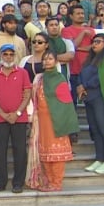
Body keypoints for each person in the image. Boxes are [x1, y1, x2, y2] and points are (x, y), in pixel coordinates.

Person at [26, 50, 79, 192]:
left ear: (56, 62)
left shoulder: (59, 78)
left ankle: (56, 182)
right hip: (40, 120)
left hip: (56, 120)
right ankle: (47, 180)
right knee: (43, 152)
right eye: (44, 59)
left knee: (56, 153)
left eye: (50, 59)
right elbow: (33, 98)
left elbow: (65, 103)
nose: (47, 61)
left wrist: (63, 121)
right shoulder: (38, 78)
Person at [0, 44, 32, 194]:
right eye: (5, 54)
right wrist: (2, 113)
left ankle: (18, 183)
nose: (8, 57)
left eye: (10, 54)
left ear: (15, 56)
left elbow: (27, 94)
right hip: (0, 118)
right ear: (1, 56)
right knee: (0, 151)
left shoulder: (23, 73)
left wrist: (17, 113)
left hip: (19, 118)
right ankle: (0, 182)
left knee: (20, 150)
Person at [77, 33, 104, 175]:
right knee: (95, 130)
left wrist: (86, 85)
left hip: (101, 97)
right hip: (89, 98)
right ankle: (99, 159)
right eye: (93, 41)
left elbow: (103, 77)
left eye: (98, 42)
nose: (94, 44)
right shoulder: (90, 59)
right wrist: (80, 85)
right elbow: (82, 75)